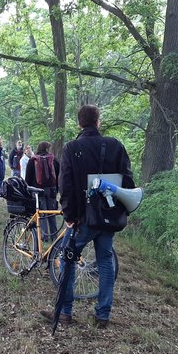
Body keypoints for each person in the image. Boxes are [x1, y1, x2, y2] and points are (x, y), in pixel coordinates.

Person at [42, 105, 135, 329]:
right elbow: (128, 182)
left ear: (79, 123)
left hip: (81, 219)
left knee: (67, 260)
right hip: (108, 216)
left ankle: (64, 312)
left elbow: (65, 185)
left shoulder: (72, 148)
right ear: (98, 121)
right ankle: (103, 315)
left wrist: (69, 215)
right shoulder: (115, 145)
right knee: (105, 261)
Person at [25, 142, 59, 241]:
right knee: (52, 213)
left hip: (38, 191)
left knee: (42, 214)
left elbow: (28, 178)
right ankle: (54, 236)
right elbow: (59, 174)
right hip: (52, 190)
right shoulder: (54, 159)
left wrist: (30, 190)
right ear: (47, 149)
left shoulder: (33, 160)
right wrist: (57, 189)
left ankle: (44, 236)